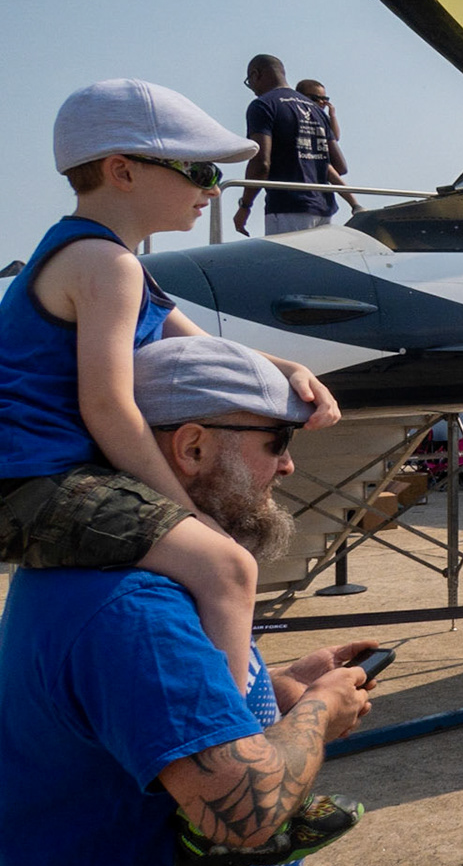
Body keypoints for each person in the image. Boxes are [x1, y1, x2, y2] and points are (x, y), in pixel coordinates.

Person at [0, 334, 376, 866]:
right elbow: (247, 813)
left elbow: (156, 714)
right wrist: (318, 712)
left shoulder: (159, 576)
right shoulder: (134, 604)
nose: (286, 467)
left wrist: (279, 694)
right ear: (193, 447)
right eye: (275, 442)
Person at [1, 79, 340, 692]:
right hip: (34, 481)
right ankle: (241, 746)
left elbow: (200, 347)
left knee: (213, 557)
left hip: (43, 475)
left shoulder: (107, 260)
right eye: (199, 170)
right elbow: (106, 406)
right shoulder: (107, 265)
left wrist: (288, 370)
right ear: (122, 171)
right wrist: (184, 514)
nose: (213, 189)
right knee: (227, 566)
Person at [234, 55, 346, 237]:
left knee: (288, 265)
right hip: (324, 209)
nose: (252, 89)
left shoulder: (263, 105)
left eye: (250, 82)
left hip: (287, 208)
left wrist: (245, 206)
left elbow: (261, 163)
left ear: (255, 75)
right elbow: (339, 166)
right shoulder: (317, 110)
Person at [293, 79, 362, 214]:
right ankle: (354, 203)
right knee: (328, 170)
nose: (321, 103)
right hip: (304, 153)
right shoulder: (297, 112)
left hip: (319, 153)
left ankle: (354, 204)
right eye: (315, 98)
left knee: (330, 171)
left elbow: (334, 137)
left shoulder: (321, 117)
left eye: (324, 99)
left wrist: (332, 116)